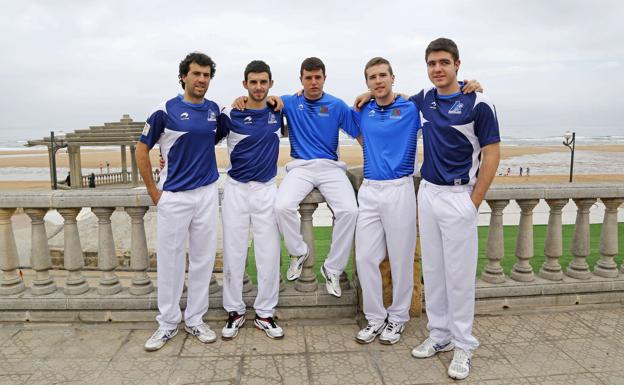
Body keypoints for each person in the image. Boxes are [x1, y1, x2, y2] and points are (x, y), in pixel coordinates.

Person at [409, 38, 500, 380]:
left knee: (459, 276)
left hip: (460, 196)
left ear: (457, 64)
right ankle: (440, 335)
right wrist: (363, 97)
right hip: (429, 193)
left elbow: (492, 154)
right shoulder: (424, 99)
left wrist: (473, 201)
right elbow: (394, 98)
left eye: (444, 62)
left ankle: (464, 344)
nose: (437, 69)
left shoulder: (478, 101)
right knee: (433, 270)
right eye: (432, 63)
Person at [236, 57, 360, 298]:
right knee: (281, 206)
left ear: (324, 78)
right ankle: (299, 251)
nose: (313, 82)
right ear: (301, 79)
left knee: (350, 211)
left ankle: (332, 268)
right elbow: (264, 100)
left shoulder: (336, 105)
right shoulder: (290, 102)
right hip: (301, 167)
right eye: (308, 78)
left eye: (318, 77)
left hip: (331, 167)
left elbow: (359, 134)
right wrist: (240, 100)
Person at [136, 52, 226, 352]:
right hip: (174, 196)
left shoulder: (214, 110)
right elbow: (141, 150)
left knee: (202, 260)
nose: (201, 79)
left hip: (206, 193)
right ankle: (167, 323)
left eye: (206, 75)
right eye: (196, 74)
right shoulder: (165, 110)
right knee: (171, 261)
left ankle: (196, 319)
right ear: (184, 76)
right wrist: (154, 193)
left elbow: (215, 134)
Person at [351, 57, 420, 345]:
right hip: (369, 189)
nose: (378, 81)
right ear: (367, 82)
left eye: (382, 76)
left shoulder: (410, 108)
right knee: (365, 257)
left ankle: (398, 318)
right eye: (372, 77)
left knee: (401, 258)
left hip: (399, 189)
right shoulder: (361, 110)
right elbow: (356, 134)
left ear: (393, 77)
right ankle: (375, 318)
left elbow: (442, 97)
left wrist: (471, 85)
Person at [219, 60, 285, 340]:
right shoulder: (230, 112)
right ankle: (234, 312)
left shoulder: (279, 111)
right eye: (253, 82)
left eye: (263, 82)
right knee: (234, 253)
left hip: (267, 189)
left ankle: (265, 314)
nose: (258, 87)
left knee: (268, 254)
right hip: (236, 189)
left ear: (270, 84)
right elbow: (197, 141)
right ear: (245, 84)